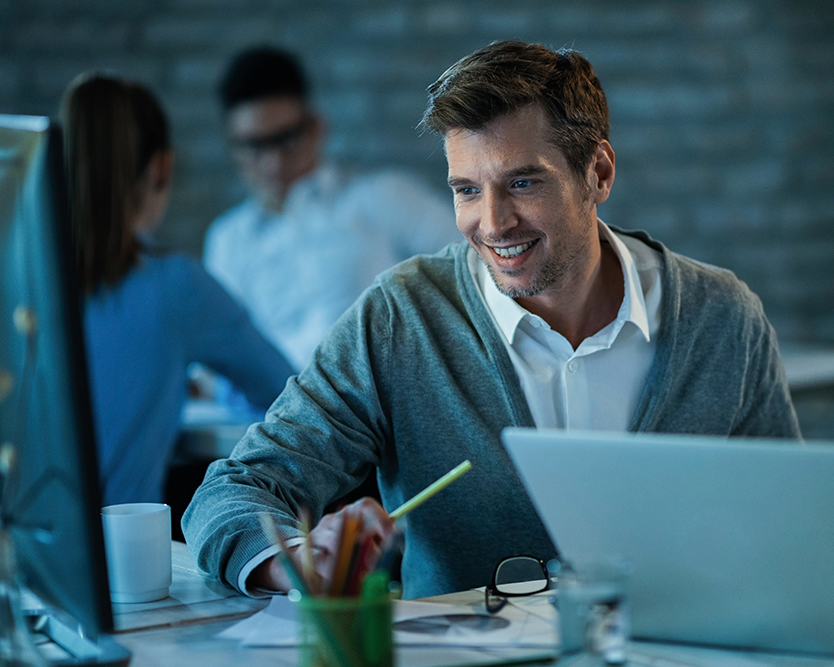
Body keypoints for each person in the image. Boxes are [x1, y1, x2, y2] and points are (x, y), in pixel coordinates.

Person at [183, 42, 800, 600]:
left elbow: (791, 528)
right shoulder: (402, 319)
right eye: (466, 190)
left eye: (522, 182)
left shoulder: (723, 319)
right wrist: (294, 561)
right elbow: (232, 493)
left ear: (600, 173)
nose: (494, 223)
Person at [60, 73, 295, 507]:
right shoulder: (175, 285)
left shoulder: (22, 278)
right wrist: (217, 384)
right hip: (118, 563)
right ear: (162, 167)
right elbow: (290, 398)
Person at [202, 46, 459, 369]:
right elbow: (220, 349)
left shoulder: (383, 197)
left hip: (379, 402)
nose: (273, 161)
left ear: (316, 128)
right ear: (233, 148)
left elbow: (472, 263)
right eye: (254, 146)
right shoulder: (228, 239)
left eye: (286, 139)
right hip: (274, 410)